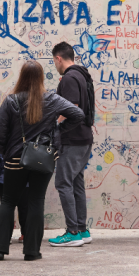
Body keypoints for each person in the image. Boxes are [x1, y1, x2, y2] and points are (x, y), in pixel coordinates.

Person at [0, 60, 85, 261]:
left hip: (14, 159)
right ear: (41, 78)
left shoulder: (11, 101)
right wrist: (56, 131)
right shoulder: (52, 99)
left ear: (21, 77)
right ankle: (32, 251)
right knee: (36, 201)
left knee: (8, 201)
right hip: (44, 160)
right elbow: (78, 114)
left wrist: (7, 152)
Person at [49, 41, 96, 248]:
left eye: (54, 61)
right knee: (76, 183)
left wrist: (56, 129)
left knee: (63, 182)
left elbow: (72, 108)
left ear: (59, 58)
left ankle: (72, 232)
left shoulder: (69, 78)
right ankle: (82, 229)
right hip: (84, 137)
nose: (55, 65)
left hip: (73, 139)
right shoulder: (83, 75)